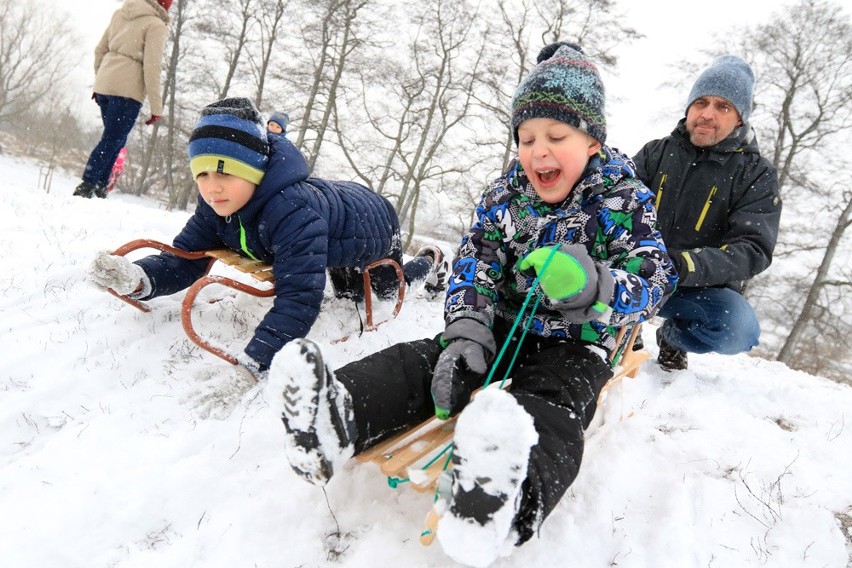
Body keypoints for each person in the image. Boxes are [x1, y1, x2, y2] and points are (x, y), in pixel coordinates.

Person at [268, 43, 676, 566]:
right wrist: (466, 328)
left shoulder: (623, 198)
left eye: (557, 136)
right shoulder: (505, 195)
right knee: (428, 362)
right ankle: (336, 415)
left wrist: (595, 284)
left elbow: (656, 278)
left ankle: (507, 502)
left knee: (552, 407)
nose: (539, 151)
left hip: (578, 344)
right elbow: (473, 266)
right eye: (527, 138)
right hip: (499, 327)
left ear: (593, 141)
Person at [87, 97, 448, 379]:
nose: (212, 187)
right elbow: (186, 258)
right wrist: (139, 278)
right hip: (331, 230)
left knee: (382, 293)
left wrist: (257, 359)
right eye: (202, 173)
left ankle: (430, 261)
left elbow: (299, 298)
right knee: (344, 289)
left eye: (225, 173)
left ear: (255, 171)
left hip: (373, 225)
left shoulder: (292, 210)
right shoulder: (216, 205)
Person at [633, 55, 782, 371]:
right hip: (637, 273)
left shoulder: (756, 174)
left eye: (722, 107)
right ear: (689, 108)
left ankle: (673, 337)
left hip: (695, 287)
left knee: (738, 329)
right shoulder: (654, 153)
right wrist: (637, 259)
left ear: (740, 118)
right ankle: (619, 324)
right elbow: (617, 209)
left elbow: (752, 249)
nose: (707, 114)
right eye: (701, 102)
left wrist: (686, 264)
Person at [73, 0, 172, 199]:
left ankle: (100, 186)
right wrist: (156, 106)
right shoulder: (156, 25)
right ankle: (86, 184)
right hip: (127, 91)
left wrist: (100, 80)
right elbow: (152, 67)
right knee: (112, 139)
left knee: (116, 138)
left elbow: (100, 50)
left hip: (105, 86)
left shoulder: (120, 14)